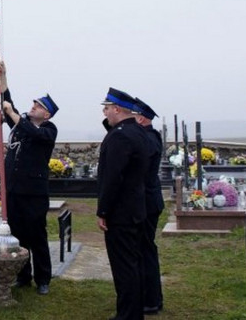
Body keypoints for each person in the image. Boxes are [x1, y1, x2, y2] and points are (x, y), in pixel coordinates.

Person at [0, 60, 58, 296]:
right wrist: (4, 80)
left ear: (47, 113)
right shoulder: (21, 123)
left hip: (33, 193)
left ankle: (43, 278)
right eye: (33, 103)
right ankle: (23, 275)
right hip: (14, 191)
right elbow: (8, 105)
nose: (33, 106)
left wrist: (12, 114)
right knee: (18, 235)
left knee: (37, 236)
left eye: (38, 105)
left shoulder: (48, 130)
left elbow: (29, 129)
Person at [97, 88, 150, 320]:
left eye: (107, 109)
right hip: (135, 208)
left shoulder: (120, 136)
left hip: (121, 212)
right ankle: (131, 311)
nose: (105, 113)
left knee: (124, 267)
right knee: (133, 264)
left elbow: (113, 177)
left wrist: (103, 210)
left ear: (117, 109)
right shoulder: (139, 131)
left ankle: (128, 315)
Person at [134, 98, 164, 315]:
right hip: (145, 201)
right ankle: (148, 296)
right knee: (142, 249)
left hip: (147, 202)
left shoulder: (150, 138)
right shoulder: (146, 135)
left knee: (145, 250)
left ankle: (151, 299)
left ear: (142, 118)